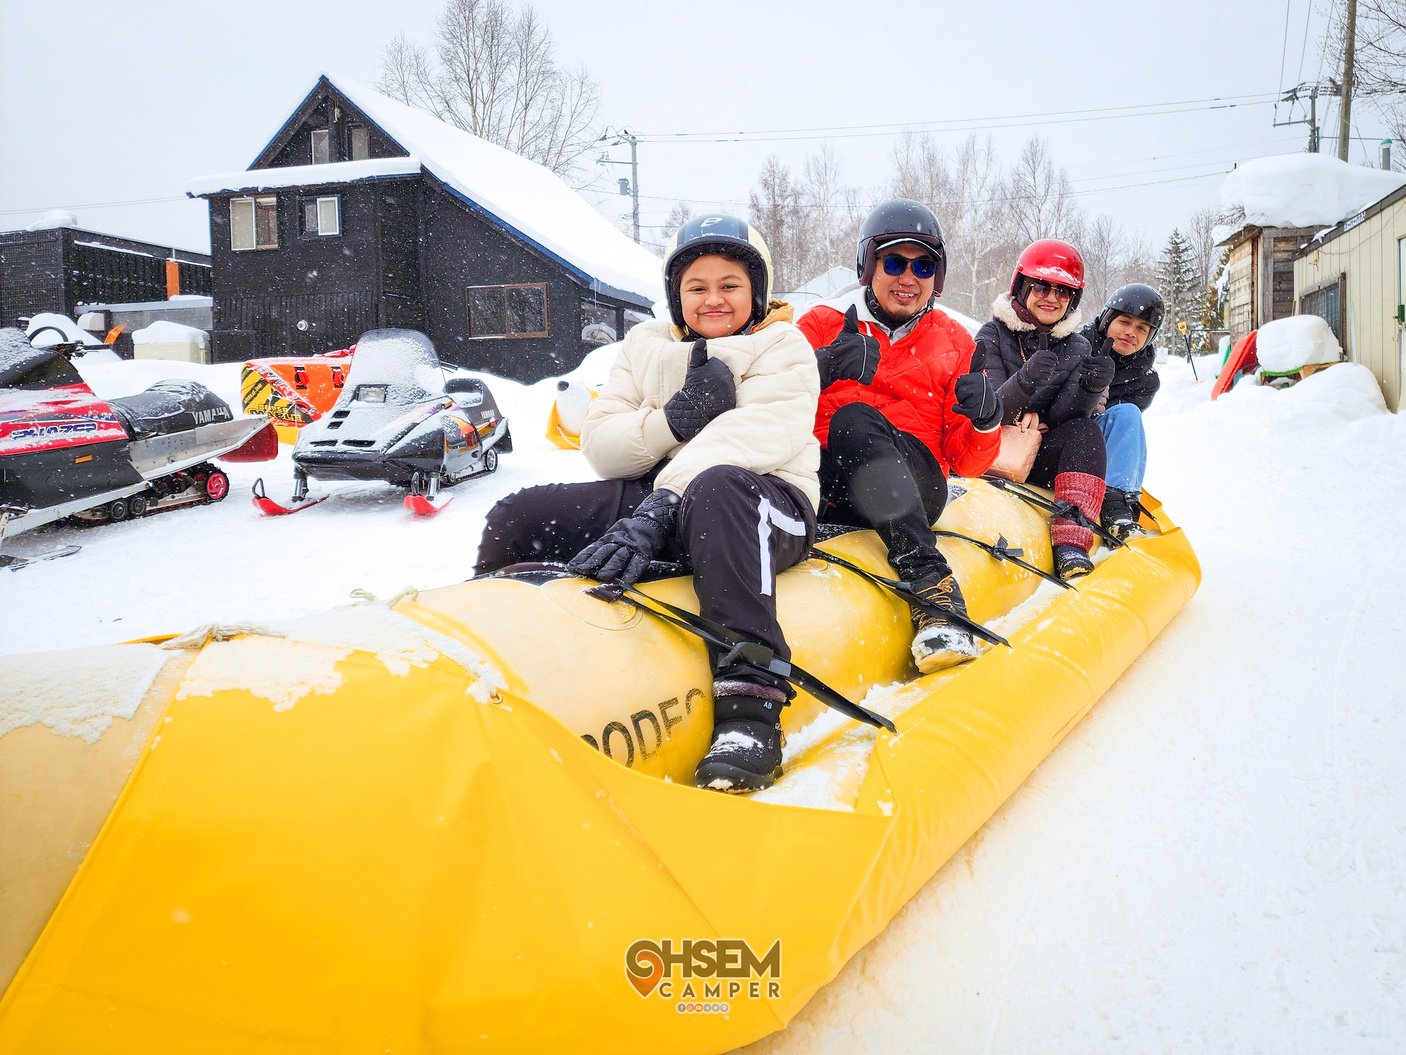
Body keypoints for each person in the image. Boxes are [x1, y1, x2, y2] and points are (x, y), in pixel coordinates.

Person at [473, 215, 821, 794]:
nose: (714, 299)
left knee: (714, 489)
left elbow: (753, 437)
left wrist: (661, 506)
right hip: (659, 502)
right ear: (675, 295)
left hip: (760, 500)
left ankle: (750, 708)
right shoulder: (644, 347)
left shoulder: (783, 346)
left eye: (730, 284)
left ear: (755, 292)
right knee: (518, 514)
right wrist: (672, 419)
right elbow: (604, 448)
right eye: (697, 286)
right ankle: (491, 650)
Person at [796, 199, 1002, 673]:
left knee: (854, 418)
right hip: (829, 482)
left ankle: (933, 588)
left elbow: (967, 464)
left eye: (924, 265)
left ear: (938, 275)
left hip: (915, 481)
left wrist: (985, 420)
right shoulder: (822, 326)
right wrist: (818, 370)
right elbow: (769, 406)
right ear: (869, 266)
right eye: (894, 262)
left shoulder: (955, 342)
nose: (909, 277)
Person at [974, 239, 1113, 582]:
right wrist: (1024, 380)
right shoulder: (991, 335)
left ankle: (1072, 543)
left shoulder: (1078, 346)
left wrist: (1089, 388)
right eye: (1042, 286)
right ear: (1022, 287)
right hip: (991, 451)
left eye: (1063, 291)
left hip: (1039, 456)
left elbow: (1066, 420)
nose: (1051, 298)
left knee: (1086, 431)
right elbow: (988, 410)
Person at [1080, 283, 1165, 540]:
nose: (1131, 333)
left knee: (1127, 414)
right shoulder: (1077, 348)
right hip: (1063, 436)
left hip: (1099, 447)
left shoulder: (1144, 380)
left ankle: (1119, 501)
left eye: (1142, 328)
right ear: (1108, 320)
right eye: (1125, 322)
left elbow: (1121, 432)